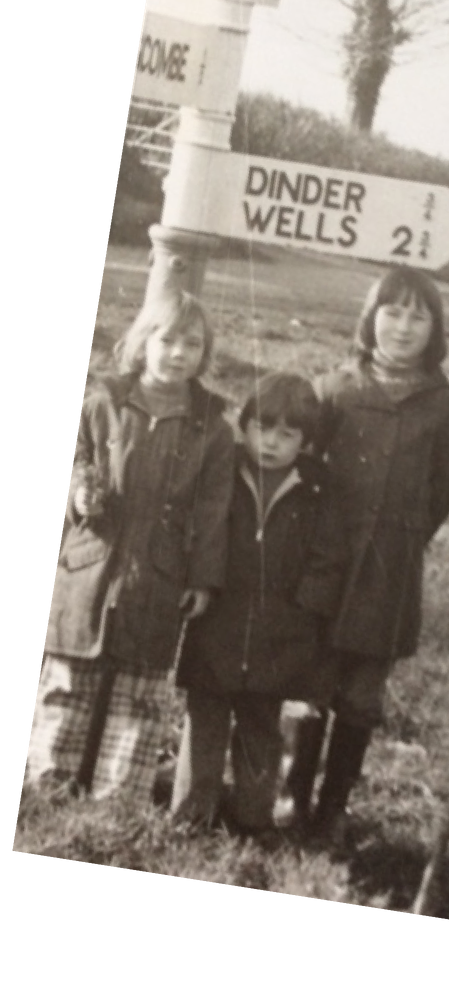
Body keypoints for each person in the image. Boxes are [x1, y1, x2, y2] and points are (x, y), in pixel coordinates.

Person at [24, 293, 234, 807]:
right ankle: (48, 781)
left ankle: (118, 795)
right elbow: (78, 463)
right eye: (166, 340)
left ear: (204, 355)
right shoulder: (102, 405)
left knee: (138, 690)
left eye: (192, 344)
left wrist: (202, 579)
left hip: (158, 575)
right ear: (143, 343)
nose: (178, 353)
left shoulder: (213, 429)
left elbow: (213, 511)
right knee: (69, 678)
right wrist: (79, 491)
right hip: (92, 563)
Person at [288, 265, 449, 841]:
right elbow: (303, 470)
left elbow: (443, 494)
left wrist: (396, 538)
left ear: (435, 329)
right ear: (371, 319)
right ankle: (292, 795)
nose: (404, 325)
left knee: (361, 695)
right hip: (323, 566)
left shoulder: (446, 411)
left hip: (387, 576)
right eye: (393, 311)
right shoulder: (333, 390)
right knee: (311, 682)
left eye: (419, 315)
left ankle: (333, 806)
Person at [172, 371, 347, 832]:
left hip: (279, 637)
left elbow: (329, 559)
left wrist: (302, 614)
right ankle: (192, 813)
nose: (270, 443)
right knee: (205, 720)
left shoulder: (316, 492)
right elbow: (199, 527)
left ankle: (253, 818)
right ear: (244, 426)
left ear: (306, 441)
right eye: (260, 429)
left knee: (260, 728)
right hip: (217, 623)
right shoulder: (223, 470)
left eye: (287, 435)